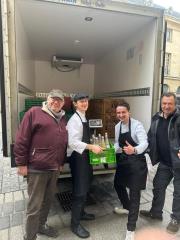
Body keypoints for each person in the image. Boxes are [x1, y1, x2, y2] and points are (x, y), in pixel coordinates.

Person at [14, 89, 68, 240]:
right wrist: (21, 164)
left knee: (48, 200)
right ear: (47, 99)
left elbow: (62, 143)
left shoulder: (62, 118)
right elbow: (21, 139)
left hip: (54, 167)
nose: (56, 102)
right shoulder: (34, 112)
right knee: (34, 205)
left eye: (59, 100)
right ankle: (30, 236)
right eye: (53, 99)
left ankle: (41, 226)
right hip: (37, 167)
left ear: (63, 103)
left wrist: (61, 162)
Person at [139, 92, 180, 234]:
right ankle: (156, 213)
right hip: (165, 162)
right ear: (161, 103)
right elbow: (150, 137)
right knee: (158, 186)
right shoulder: (156, 118)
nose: (167, 106)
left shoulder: (178, 119)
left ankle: (175, 219)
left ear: (175, 104)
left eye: (170, 103)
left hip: (179, 163)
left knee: (178, 193)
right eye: (164, 103)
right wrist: (140, 149)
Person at [67, 93, 103, 238]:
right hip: (78, 158)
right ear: (75, 103)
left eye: (86, 101)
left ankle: (81, 213)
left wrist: (93, 144)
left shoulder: (83, 116)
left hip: (85, 157)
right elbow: (72, 142)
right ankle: (75, 225)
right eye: (81, 101)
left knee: (86, 184)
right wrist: (90, 146)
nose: (84, 103)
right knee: (80, 190)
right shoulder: (74, 120)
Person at [113, 100, 148, 240]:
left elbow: (145, 142)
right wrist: (115, 148)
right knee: (118, 184)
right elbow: (117, 143)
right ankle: (127, 208)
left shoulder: (137, 125)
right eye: (118, 113)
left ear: (129, 112)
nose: (121, 115)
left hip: (136, 162)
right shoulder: (117, 127)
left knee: (135, 195)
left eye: (123, 112)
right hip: (123, 162)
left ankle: (131, 228)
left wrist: (134, 149)